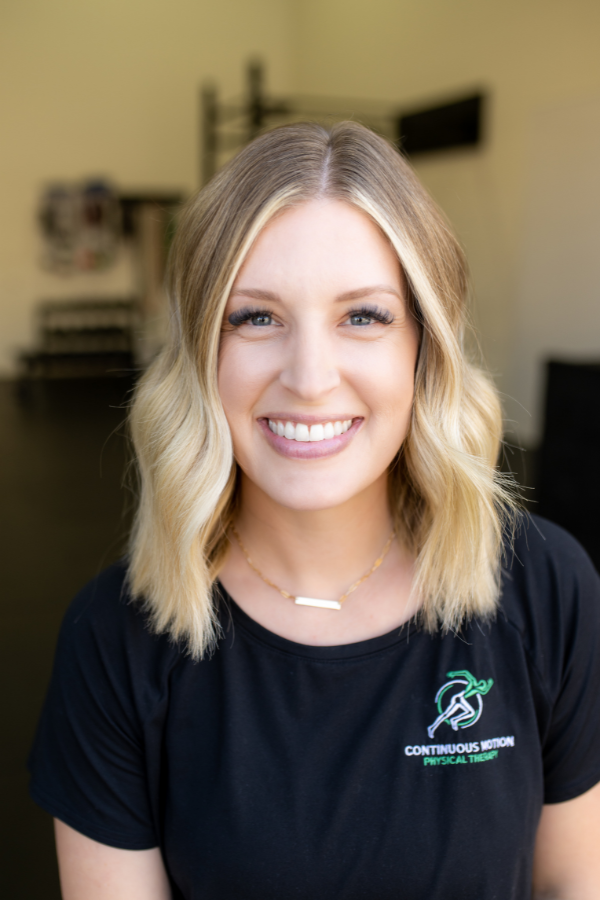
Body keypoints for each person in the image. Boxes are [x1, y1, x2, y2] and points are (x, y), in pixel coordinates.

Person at [29, 122, 600, 899]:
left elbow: (575, 882)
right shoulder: (113, 643)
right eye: (255, 317)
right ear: (201, 349)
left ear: (423, 348)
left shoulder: (549, 589)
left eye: (362, 316)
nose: (309, 376)